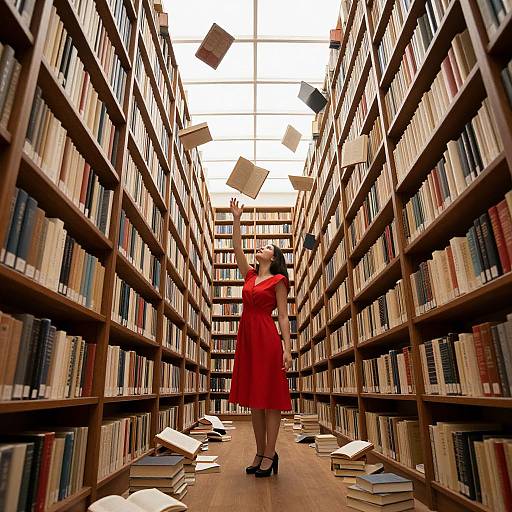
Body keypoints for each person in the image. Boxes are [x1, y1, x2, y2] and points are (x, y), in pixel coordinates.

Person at [227, 198, 293, 477]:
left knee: (270, 397)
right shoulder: (250, 276)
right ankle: (259, 451)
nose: (261, 248)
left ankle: (270, 453)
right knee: (255, 398)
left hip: (266, 336)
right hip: (247, 337)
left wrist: (288, 349)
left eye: (267, 247)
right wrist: (237, 219)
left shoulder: (278, 281)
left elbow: (282, 316)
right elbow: (237, 249)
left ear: (274, 258)